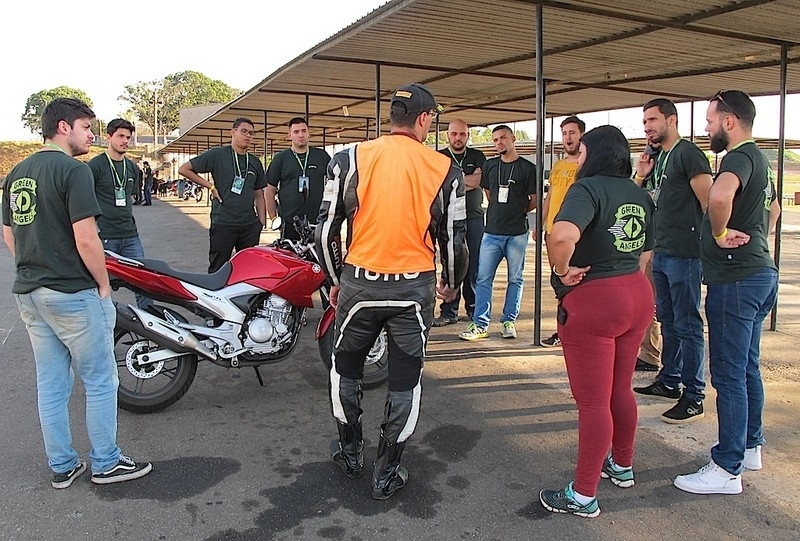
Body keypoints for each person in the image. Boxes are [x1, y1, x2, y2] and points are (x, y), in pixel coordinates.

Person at [315, 82, 467, 500]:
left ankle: (349, 453)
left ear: (392, 117)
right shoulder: (444, 169)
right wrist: (451, 284)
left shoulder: (349, 159)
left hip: (359, 285)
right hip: (413, 289)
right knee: (406, 380)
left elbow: (325, 229)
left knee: (344, 369)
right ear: (422, 119)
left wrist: (334, 279)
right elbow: (455, 238)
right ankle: (388, 469)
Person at [1, 98, 153, 489]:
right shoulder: (74, 171)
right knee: (101, 379)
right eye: (87, 127)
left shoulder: (18, 173)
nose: (92, 135)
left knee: (51, 382)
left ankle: (63, 465)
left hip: (30, 292)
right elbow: (87, 239)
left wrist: (34, 267)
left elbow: (9, 234)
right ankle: (105, 461)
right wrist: (103, 284)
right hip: (72, 292)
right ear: (65, 127)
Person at [538, 125, 654, 518]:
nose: (578, 156)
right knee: (621, 389)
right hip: (636, 294)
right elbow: (644, 252)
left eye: (582, 150)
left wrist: (562, 270)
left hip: (596, 301)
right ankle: (622, 465)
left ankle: (583, 494)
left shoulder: (587, 190)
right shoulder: (638, 192)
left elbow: (561, 234)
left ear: (594, 153)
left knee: (592, 403)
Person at [674, 90, 780, 495]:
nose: (707, 127)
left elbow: (718, 196)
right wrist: (756, 238)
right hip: (759, 274)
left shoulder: (737, 158)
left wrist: (718, 233)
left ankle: (727, 467)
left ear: (730, 121)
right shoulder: (761, 160)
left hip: (735, 282)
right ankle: (750, 445)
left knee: (729, 375)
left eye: (710, 120)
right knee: (748, 366)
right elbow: (774, 210)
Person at [632, 98, 713, 424]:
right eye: (645, 122)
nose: (648, 127)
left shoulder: (688, 154)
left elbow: (709, 204)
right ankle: (669, 380)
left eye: (652, 120)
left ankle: (693, 395)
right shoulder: (658, 158)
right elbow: (643, 201)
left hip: (685, 254)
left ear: (672, 120)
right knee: (668, 319)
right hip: (662, 251)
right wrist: (641, 174)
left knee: (688, 324)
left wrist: (713, 247)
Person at [458, 124, 537, 341]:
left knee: (515, 279)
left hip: (517, 234)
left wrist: (517, 210)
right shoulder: (491, 166)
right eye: (495, 140)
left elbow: (535, 199)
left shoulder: (528, 169)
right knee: (483, 278)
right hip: (491, 232)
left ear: (513, 139)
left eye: (502, 138)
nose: (498, 143)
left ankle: (509, 321)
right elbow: (489, 193)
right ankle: (480, 323)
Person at [178, 117, 267, 273]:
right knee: (218, 269)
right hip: (224, 223)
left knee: (247, 269)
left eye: (251, 133)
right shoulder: (218, 155)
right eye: (244, 131)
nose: (248, 136)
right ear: (233, 132)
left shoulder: (254, 162)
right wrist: (210, 186)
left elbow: (259, 194)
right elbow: (184, 169)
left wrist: (261, 222)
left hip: (248, 225)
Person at [88, 119, 153, 311]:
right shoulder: (96, 166)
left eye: (128, 137)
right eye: (121, 136)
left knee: (143, 280)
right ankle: (100, 318)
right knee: (99, 282)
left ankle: (152, 323)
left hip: (130, 235)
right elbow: (86, 199)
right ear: (108, 137)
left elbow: (130, 195)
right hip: (105, 236)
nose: (125, 141)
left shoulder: (132, 167)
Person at [432, 119, 486, 327]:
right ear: (448, 135)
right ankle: (448, 311)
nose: (458, 138)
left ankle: (472, 309)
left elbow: (480, 181)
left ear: (468, 135)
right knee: (449, 262)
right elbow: (438, 184)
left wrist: (454, 180)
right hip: (447, 218)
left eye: (462, 134)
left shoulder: (477, 156)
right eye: (454, 134)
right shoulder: (439, 157)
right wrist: (468, 179)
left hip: (473, 217)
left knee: (474, 265)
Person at [540, 115, 585, 347]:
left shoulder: (584, 166)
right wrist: (541, 222)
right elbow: (550, 196)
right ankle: (562, 329)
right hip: (552, 233)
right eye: (565, 133)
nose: (568, 138)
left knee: (572, 283)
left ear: (581, 136)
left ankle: (573, 329)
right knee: (559, 284)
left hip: (570, 234)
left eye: (572, 133)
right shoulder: (558, 165)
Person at [266, 117, 332, 239]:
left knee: (315, 256)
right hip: (290, 221)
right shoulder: (281, 158)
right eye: (296, 132)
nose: (300, 135)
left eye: (303, 131)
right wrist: (274, 218)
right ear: (289, 135)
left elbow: (335, 182)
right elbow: (269, 189)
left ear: (309, 133)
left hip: (317, 220)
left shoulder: (321, 156)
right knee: (290, 256)